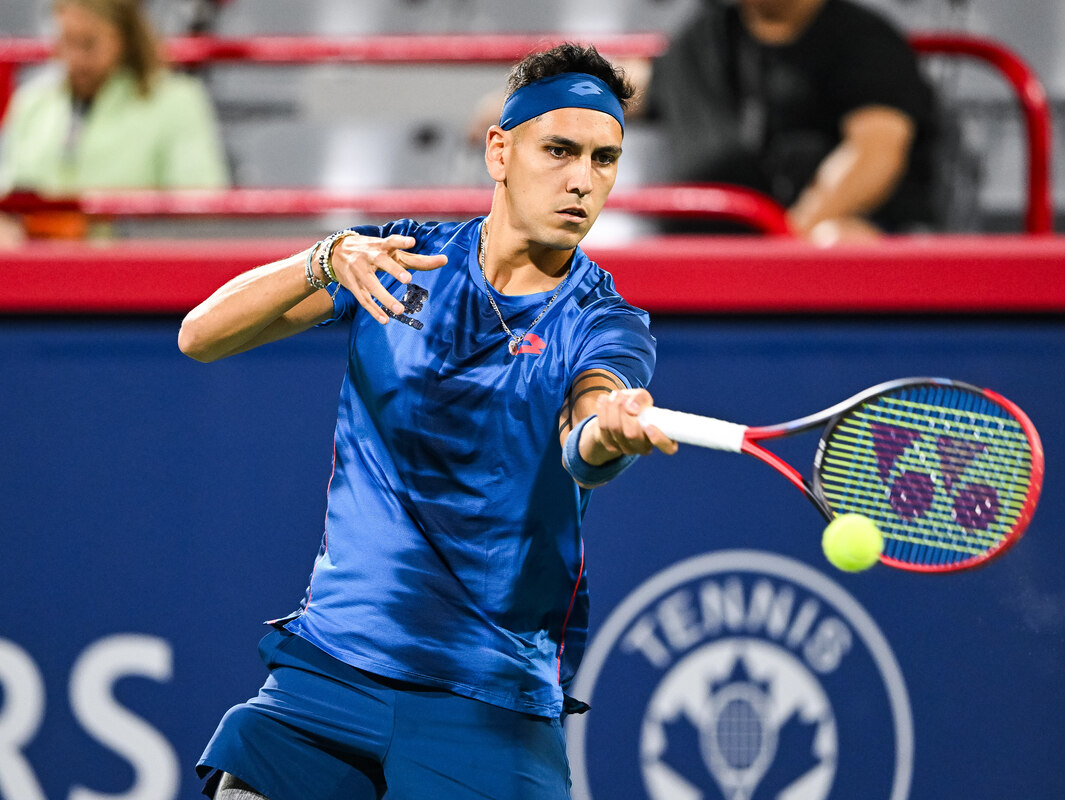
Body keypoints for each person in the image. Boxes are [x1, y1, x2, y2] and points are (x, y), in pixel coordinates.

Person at [178, 43, 677, 800]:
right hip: (332, 666)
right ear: (499, 152)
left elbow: (586, 437)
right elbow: (201, 336)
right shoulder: (402, 263)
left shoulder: (603, 323)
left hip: (487, 697)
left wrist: (606, 433)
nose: (583, 179)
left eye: (603, 159)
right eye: (560, 150)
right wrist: (325, 257)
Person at [641, 0, 940, 243]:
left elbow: (875, 155)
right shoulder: (704, 38)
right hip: (720, 250)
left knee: (837, 242)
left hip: (841, 238)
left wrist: (786, 241)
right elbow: (636, 88)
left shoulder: (865, 41)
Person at [0, 0, 229, 244]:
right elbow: (8, 189)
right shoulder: (32, 101)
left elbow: (201, 207)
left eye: (89, 43)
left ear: (124, 39)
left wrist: (108, 227)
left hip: (132, 260)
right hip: (37, 261)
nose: (75, 58)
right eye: (65, 40)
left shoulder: (176, 101)